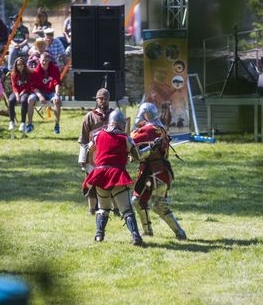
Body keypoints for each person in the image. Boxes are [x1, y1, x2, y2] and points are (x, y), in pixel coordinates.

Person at [82, 110, 143, 245]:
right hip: (117, 175)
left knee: (103, 208)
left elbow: (89, 149)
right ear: (121, 124)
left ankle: (99, 235)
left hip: (100, 174)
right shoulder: (125, 138)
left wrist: (94, 163)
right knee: (126, 209)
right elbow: (138, 156)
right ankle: (136, 236)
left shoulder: (98, 135)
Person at [130, 102, 187, 240]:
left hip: (155, 174)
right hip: (158, 173)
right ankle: (148, 231)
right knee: (139, 200)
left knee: (156, 204)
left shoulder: (147, 130)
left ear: (145, 114)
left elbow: (130, 140)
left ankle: (179, 233)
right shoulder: (159, 128)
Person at [78, 88, 114, 214]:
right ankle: (92, 209)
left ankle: (115, 209)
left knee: (112, 183)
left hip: (110, 155)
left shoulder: (114, 115)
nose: (103, 101)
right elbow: (84, 140)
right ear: (96, 100)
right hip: (93, 156)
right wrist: (83, 160)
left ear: (109, 100)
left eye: (105, 99)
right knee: (92, 183)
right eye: (100, 99)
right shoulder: (89, 116)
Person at [28, 52, 61, 134]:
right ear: (40, 60)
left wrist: (57, 94)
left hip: (51, 91)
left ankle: (57, 125)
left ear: (49, 60)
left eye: (46, 60)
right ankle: (30, 124)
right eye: (43, 60)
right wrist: (40, 96)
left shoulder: (55, 69)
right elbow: (33, 87)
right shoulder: (36, 71)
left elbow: (57, 83)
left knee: (57, 101)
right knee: (30, 100)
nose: (44, 62)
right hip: (39, 92)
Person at [8, 57, 32, 133]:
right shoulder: (13, 74)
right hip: (16, 92)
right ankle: (11, 121)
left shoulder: (28, 73)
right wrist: (17, 95)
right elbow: (14, 86)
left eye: (21, 64)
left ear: (24, 65)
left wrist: (21, 93)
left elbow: (28, 86)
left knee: (24, 100)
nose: (20, 66)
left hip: (25, 92)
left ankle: (23, 123)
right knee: (11, 100)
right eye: (18, 65)